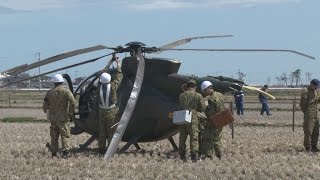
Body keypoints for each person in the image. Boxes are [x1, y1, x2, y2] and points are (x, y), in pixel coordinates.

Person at [43, 74, 76, 158]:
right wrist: (70, 112)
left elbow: (44, 106)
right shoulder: (66, 91)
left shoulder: (50, 92)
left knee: (54, 137)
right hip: (63, 118)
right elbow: (73, 102)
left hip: (53, 119)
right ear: (62, 82)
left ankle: (53, 154)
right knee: (65, 135)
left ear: (54, 82)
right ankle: (66, 153)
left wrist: (48, 113)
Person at [98, 56, 123, 155]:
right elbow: (119, 76)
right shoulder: (113, 86)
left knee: (102, 131)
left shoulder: (99, 86)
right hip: (111, 112)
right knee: (111, 132)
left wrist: (109, 63)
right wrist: (118, 63)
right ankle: (111, 150)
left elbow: (102, 73)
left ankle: (101, 149)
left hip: (101, 111)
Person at [179, 79, 205, 162]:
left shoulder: (182, 95)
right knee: (194, 138)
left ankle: (182, 155)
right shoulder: (198, 95)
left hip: (183, 116)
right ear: (195, 86)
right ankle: (194, 156)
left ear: (187, 86)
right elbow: (201, 108)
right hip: (193, 117)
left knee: (182, 137)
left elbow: (180, 106)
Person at [199, 81, 225, 160]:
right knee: (217, 138)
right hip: (221, 119)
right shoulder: (220, 95)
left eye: (204, 91)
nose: (204, 93)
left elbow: (211, 112)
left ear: (207, 89)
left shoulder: (211, 99)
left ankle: (209, 155)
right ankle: (219, 156)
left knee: (209, 138)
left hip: (214, 120)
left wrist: (205, 110)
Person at [300, 79, 320, 152]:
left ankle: (314, 146)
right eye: (315, 86)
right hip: (309, 114)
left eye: (317, 86)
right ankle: (307, 147)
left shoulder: (317, 91)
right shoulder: (306, 91)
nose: (317, 87)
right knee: (308, 131)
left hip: (316, 113)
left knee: (316, 131)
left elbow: (317, 100)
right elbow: (302, 104)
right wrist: (307, 112)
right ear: (311, 84)